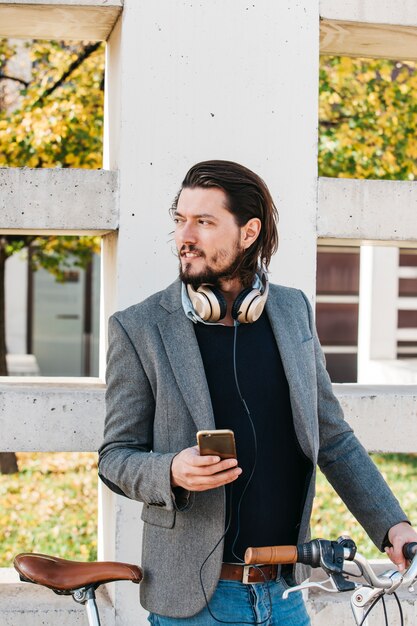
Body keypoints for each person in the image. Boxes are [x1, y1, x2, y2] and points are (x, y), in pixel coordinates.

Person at [98, 160, 417, 625]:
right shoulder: (138, 328)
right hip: (197, 603)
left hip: (286, 594)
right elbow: (115, 457)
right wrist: (171, 471)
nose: (184, 236)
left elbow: (331, 436)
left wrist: (393, 525)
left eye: (204, 222)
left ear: (249, 233)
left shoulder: (292, 311)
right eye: (180, 219)